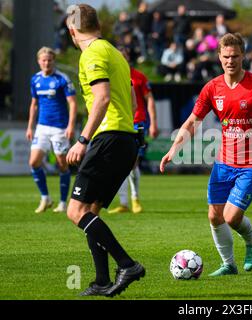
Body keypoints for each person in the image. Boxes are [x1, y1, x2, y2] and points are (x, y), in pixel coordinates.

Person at [160, 33, 252, 276]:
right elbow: (194, 120)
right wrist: (175, 147)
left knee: (231, 216)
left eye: (235, 56)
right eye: (226, 56)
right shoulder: (212, 88)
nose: (230, 61)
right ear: (219, 56)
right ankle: (229, 264)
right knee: (214, 216)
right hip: (225, 161)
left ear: (243, 56)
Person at [65, 4, 145, 297]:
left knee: (75, 211)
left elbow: (101, 98)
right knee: (91, 211)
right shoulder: (116, 55)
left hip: (107, 138)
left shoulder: (92, 54)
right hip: (126, 140)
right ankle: (101, 281)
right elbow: (134, 105)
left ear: (72, 30)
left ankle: (127, 264)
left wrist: (83, 140)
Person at [26, 47, 77, 213]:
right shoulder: (35, 79)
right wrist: (30, 126)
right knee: (34, 162)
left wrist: (70, 126)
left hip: (59, 128)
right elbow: (34, 104)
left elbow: (73, 103)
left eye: (49, 60)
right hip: (42, 127)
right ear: (38, 61)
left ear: (53, 61)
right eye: (43, 60)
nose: (46, 63)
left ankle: (63, 202)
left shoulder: (62, 78)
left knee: (62, 164)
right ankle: (45, 198)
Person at [109, 47, 159, 214]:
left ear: (128, 58)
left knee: (132, 162)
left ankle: (135, 199)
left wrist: (153, 123)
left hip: (137, 122)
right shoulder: (111, 77)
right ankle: (123, 203)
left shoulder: (138, 77)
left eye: (124, 57)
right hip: (118, 121)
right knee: (119, 164)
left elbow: (149, 99)